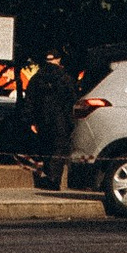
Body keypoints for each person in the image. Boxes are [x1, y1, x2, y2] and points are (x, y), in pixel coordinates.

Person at [27, 46, 78, 189]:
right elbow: (73, 98)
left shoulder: (37, 78)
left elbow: (30, 100)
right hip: (61, 118)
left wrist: (32, 120)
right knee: (59, 148)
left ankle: (48, 175)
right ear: (58, 59)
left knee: (47, 146)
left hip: (42, 118)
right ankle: (53, 179)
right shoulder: (65, 77)